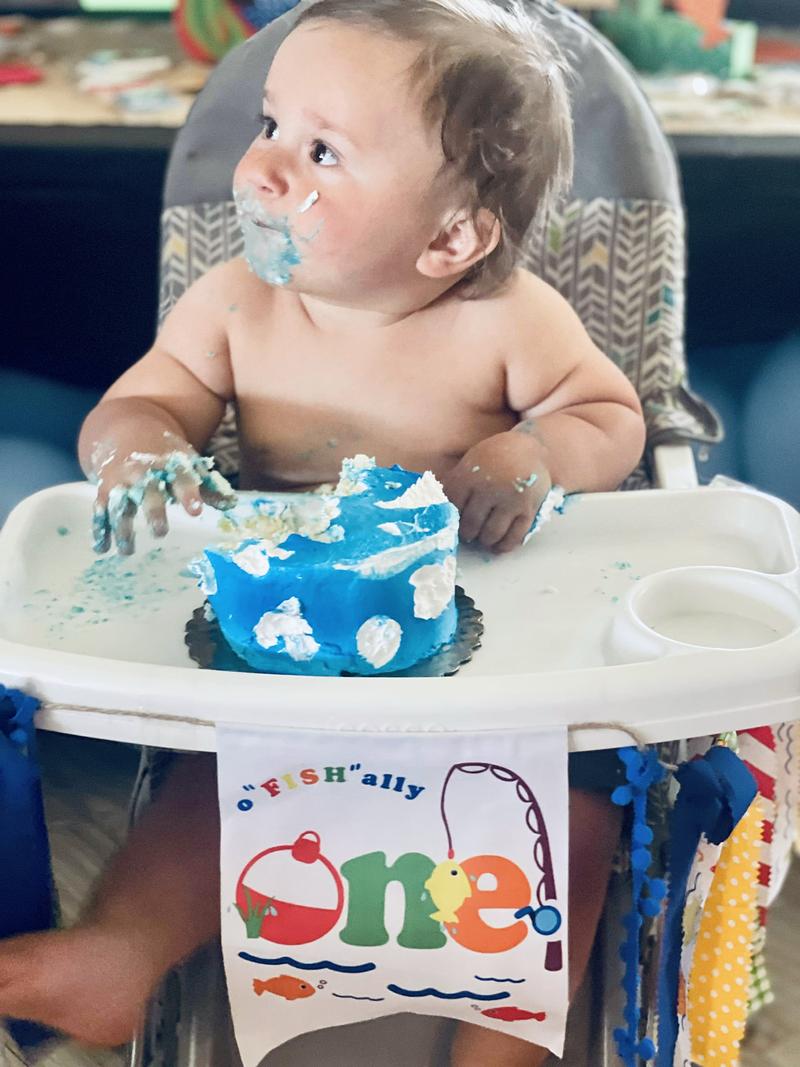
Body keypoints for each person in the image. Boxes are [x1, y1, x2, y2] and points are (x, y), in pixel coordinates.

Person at [0, 2, 645, 1064]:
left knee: (564, 822)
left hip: (486, 663)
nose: (261, 168)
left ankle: (500, 1049)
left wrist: (529, 455)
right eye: (270, 126)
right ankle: (122, 952)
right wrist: (140, 450)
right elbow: (137, 406)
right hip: (285, 649)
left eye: (321, 151)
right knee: (214, 788)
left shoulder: (507, 321)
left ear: (449, 239)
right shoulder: (234, 307)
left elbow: (606, 414)